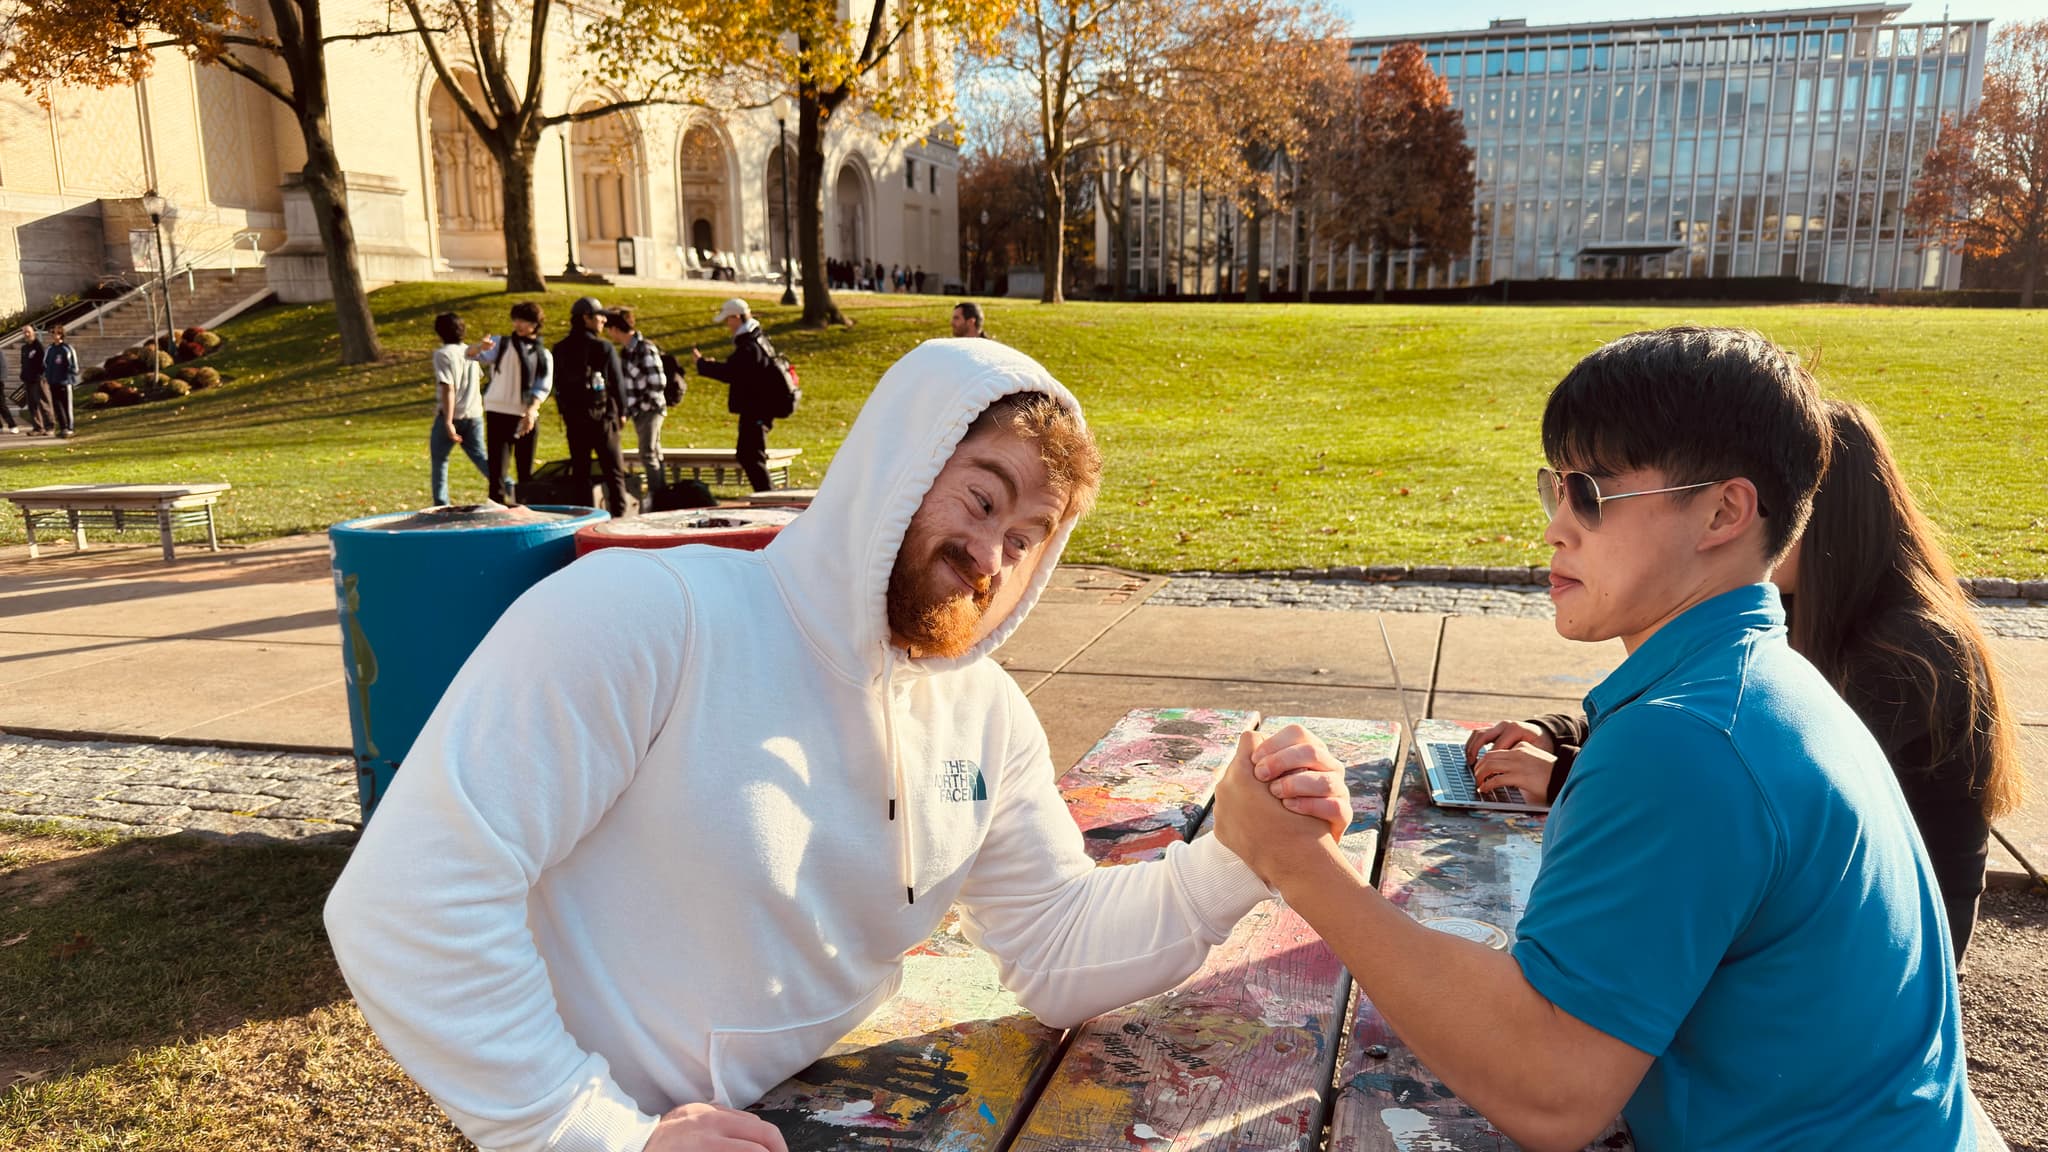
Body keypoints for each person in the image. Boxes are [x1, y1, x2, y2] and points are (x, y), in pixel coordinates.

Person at [324, 338, 1350, 1152]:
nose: (989, 554)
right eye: (980, 497)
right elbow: (407, 902)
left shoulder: (982, 712)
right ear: (893, 468)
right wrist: (588, 1130)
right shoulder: (647, 614)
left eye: (1027, 536)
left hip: (823, 1117)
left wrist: (1235, 863)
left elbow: (1053, 948)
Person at [1212, 327, 1980, 1151]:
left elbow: (1552, 1092)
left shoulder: (1688, 739)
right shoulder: (1757, 680)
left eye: (1592, 495)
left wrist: (1294, 863)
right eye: (1554, 490)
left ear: (1723, 511)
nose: (1555, 528)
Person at [1466, 399, 2024, 966]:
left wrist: (1564, 775)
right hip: (1812, 917)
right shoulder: (1792, 607)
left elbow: (1749, 793)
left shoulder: (1912, 653)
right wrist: (1550, 732)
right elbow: (1675, 705)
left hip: (1885, 952)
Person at [551, 296, 629, 518]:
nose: (603, 320)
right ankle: (619, 518)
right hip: (603, 417)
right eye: (599, 316)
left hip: (574, 418)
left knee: (581, 472)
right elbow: (616, 382)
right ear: (586, 318)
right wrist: (622, 412)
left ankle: (585, 519)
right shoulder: (602, 347)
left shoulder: (560, 348)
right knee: (614, 472)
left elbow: (556, 383)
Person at [691, 298, 779, 492]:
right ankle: (766, 494)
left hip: (756, 408)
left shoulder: (749, 344)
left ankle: (767, 496)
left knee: (750, 455)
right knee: (749, 454)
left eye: (728, 319)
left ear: (737, 317)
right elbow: (738, 370)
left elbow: (732, 372)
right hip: (757, 407)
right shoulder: (755, 339)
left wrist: (703, 365)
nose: (727, 325)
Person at [470, 300, 552, 506]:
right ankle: (495, 511)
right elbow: (470, 355)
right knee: (497, 469)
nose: (518, 324)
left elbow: (542, 386)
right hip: (499, 411)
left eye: (523, 320)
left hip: (526, 415)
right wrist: (480, 347)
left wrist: (530, 412)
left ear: (535, 324)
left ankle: (526, 511)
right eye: (516, 320)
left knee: (525, 470)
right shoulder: (502, 344)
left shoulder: (544, 355)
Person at [604, 306, 669, 504]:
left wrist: (643, 404)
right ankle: (661, 493)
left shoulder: (644, 348)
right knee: (652, 452)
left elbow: (658, 382)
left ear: (615, 328)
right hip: (638, 409)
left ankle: (657, 496)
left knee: (648, 453)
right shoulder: (626, 352)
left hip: (650, 409)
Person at [429, 312, 491, 506]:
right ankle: (510, 487)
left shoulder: (442, 354)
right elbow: (478, 377)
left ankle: (441, 503)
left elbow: (448, 386)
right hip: (474, 414)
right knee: (481, 458)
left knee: (440, 460)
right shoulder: (469, 351)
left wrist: (448, 422)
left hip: (452, 415)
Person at [42, 323, 78, 439]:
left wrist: (67, 376)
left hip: (65, 382)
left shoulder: (67, 349)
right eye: (52, 333)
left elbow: (74, 367)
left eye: (55, 333)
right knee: (57, 407)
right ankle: (63, 427)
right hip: (53, 382)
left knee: (67, 406)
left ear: (61, 334)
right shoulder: (50, 349)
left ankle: (70, 428)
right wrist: (47, 376)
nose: (53, 335)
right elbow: (45, 364)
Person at [18, 326, 50, 436]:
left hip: (38, 379)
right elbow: (23, 363)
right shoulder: (24, 348)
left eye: (28, 332)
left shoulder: (38, 346)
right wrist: (23, 375)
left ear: (33, 333)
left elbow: (44, 363)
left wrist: (40, 375)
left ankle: (49, 426)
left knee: (43, 403)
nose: (27, 334)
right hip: (28, 380)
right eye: (25, 332)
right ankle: (38, 427)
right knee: (32, 405)